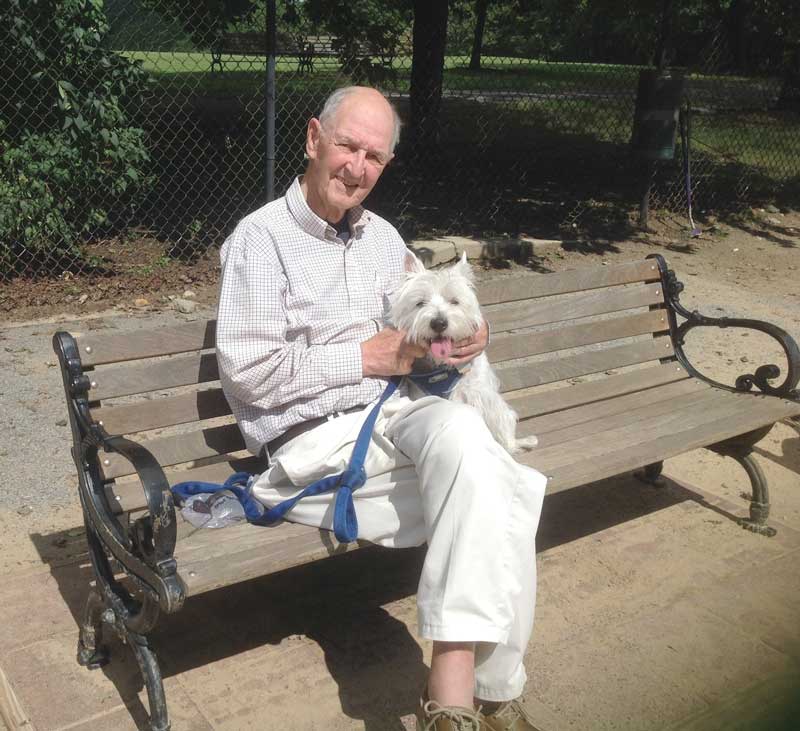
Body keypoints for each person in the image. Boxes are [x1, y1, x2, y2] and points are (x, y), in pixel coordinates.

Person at [216, 85, 547, 731]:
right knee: (506, 486)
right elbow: (250, 376)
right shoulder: (259, 240)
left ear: (386, 164)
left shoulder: (385, 239)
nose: (357, 166)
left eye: (374, 155)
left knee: (474, 445)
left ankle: (455, 700)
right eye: (347, 146)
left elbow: (429, 321)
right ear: (314, 140)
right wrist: (362, 358)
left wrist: (462, 340)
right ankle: (482, 694)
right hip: (313, 439)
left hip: (396, 414)